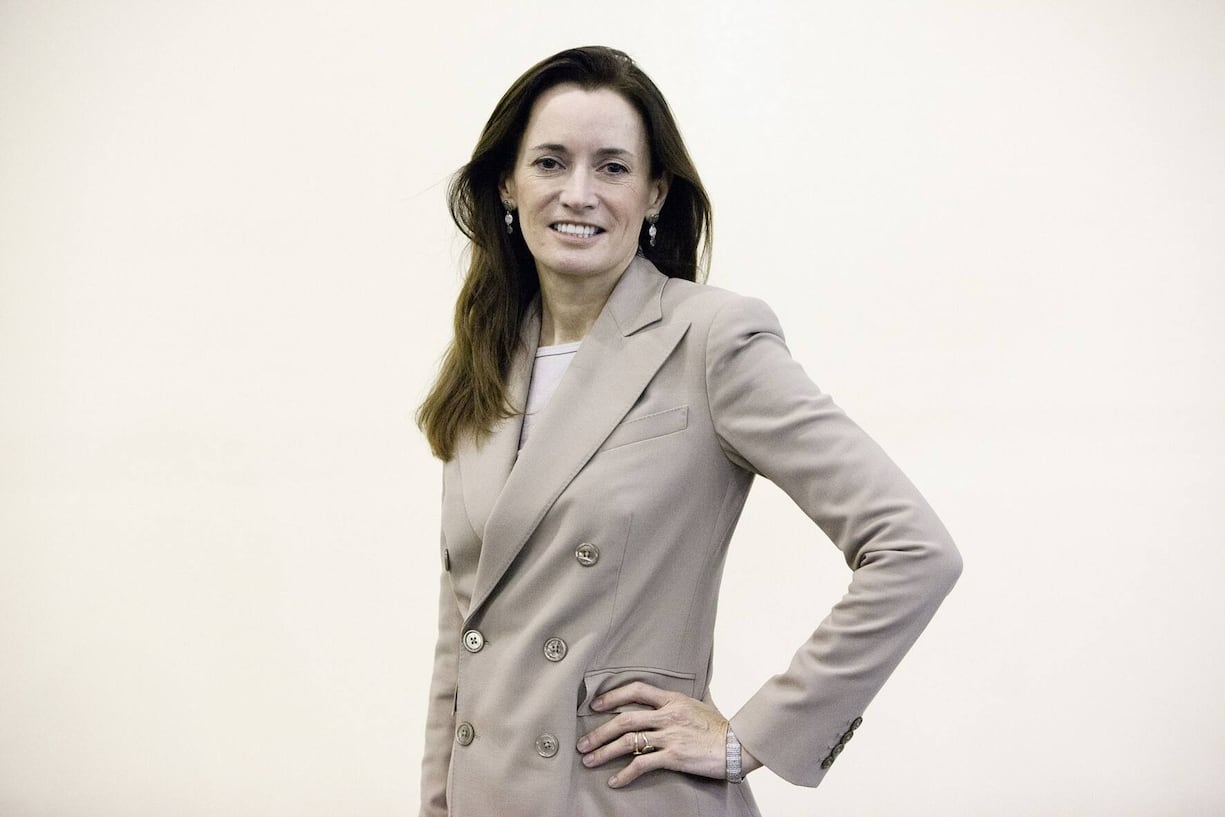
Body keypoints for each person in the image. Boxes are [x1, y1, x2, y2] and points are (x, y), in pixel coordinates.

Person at [416, 45, 962, 817]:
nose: (579, 192)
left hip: (624, 798)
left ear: (653, 192)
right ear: (508, 182)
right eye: (550, 161)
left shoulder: (711, 337)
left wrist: (754, 734)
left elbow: (913, 548)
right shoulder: (483, 360)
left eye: (611, 167)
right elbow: (462, 640)